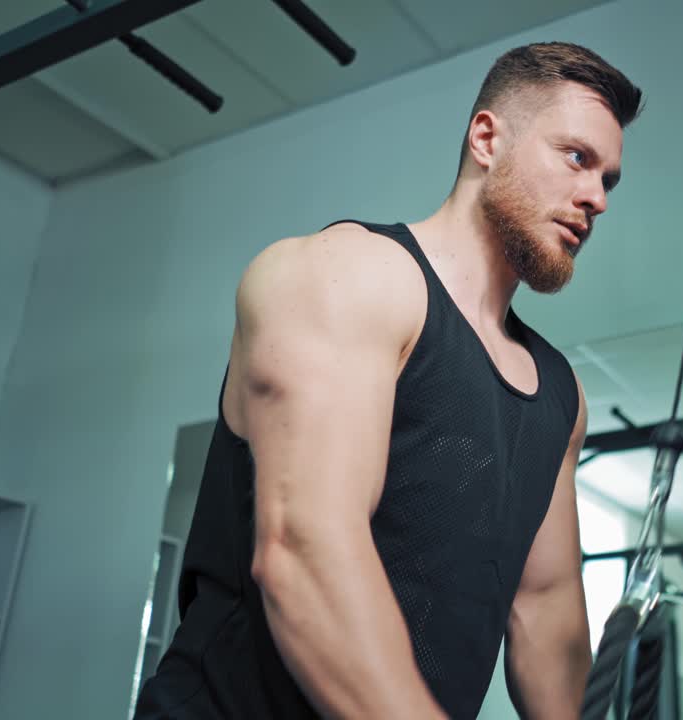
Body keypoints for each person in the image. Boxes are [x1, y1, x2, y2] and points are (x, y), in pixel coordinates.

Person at [134, 42, 643, 720]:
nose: (596, 198)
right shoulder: (348, 274)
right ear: (486, 139)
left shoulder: (558, 395)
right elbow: (304, 554)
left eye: (609, 180)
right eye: (577, 158)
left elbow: (544, 608)